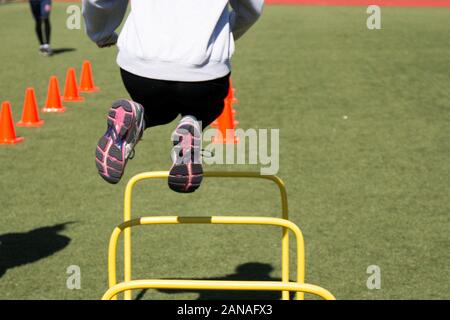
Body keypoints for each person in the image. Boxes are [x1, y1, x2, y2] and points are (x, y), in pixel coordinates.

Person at [83, 0, 264, 193]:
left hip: (140, 71)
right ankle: (191, 125)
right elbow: (251, 9)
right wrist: (226, 34)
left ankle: (138, 119)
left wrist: (101, 33)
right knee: (209, 107)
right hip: (205, 75)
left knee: (158, 109)